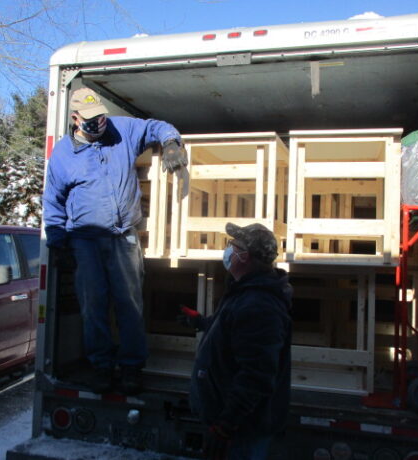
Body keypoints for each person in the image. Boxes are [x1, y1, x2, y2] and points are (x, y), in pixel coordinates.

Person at [43, 87, 187, 394]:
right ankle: (102, 368)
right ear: (75, 118)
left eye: (102, 117)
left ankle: (132, 367)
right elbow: (53, 201)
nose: (100, 123)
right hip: (84, 240)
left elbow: (155, 126)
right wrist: (57, 241)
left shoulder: (121, 130)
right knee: (93, 305)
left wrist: (172, 143)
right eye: (92, 119)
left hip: (124, 236)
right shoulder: (63, 155)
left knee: (129, 303)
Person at [179, 222, 293, 460]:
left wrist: (225, 425)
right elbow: (236, 332)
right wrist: (202, 323)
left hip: (242, 430)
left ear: (245, 256)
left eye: (234, 245)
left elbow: (256, 375)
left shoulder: (259, 305)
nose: (229, 249)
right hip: (235, 424)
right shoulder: (246, 292)